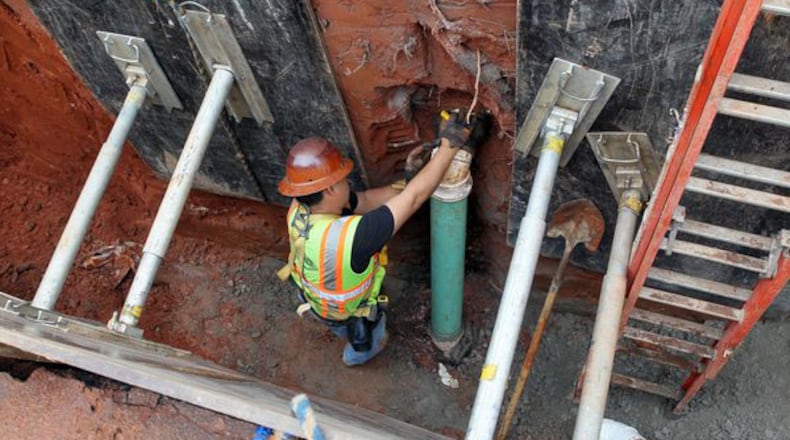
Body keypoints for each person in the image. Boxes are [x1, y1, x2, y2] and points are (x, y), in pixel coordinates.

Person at [276, 109, 488, 366]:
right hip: (348, 313)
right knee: (368, 337)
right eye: (342, 179)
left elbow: (364, 201)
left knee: (337, 319)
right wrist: (448, 147)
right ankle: (357, 356)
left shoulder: (300, 206)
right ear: (330, 189)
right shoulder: (353, 238)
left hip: (315, 297)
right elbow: (412, 200)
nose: (348, 182)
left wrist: (410, 179)